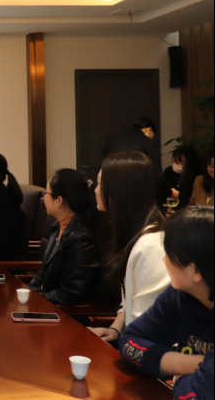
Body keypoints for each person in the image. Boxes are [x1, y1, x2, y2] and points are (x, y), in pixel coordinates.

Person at [119, 206, 213, 400]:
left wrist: (183, 377)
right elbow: (129, 342)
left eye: (169, 254)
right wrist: (197, 364)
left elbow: (190, 395)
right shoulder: (181, 296)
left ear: (196, 271)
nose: (164, 260)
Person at [87, 152, 168, 345]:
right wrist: (115, 329)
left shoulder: (151, 247)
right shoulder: (136, 235)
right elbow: (130, 300)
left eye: (99, 184)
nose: (95, 191)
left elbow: (148, 327)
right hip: (133, 346)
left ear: (119, 191)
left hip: (148, 355)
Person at [28, 169, 100, 305]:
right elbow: (43, 273)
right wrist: (29, 293)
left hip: (63, 312)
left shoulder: (80, 238)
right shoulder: (58, 227)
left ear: (59, 200)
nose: (44, 197)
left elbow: (70, 294)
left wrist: (36, 298)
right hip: (48, 303)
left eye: (46, 193)